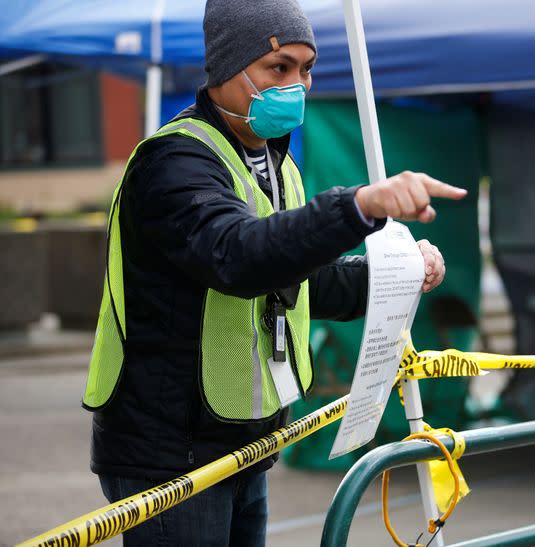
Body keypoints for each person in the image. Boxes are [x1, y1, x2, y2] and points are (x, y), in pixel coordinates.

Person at [81, 1, 466, 544]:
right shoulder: (172, 163)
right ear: (225, 68)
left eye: (306, 69)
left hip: (244, 440)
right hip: (171, 455)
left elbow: (296, 281)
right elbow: (237, 255)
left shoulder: (280, 166)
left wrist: (393, 275)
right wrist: (355, 207)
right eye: (279, 68)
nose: (299, 84)